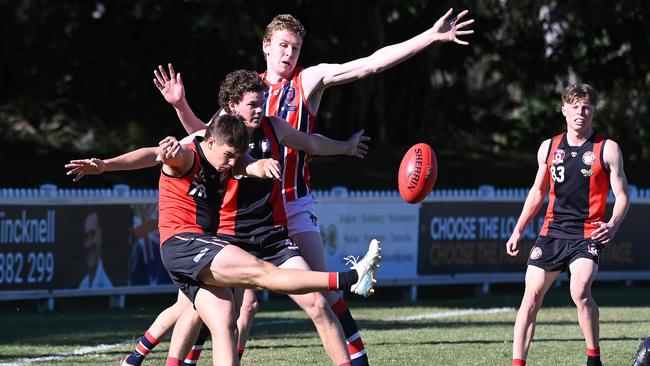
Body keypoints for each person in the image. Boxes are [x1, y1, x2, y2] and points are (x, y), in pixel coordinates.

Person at [154, 9, 474, 365]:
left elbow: (369, 65)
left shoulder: (306, 81)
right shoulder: (245, 93)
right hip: (238, 212)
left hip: (291, 204)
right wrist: (180, 105)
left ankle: (357, 358)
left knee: (320, 297)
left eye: (295, 47)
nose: (289, 54)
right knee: (226, 304)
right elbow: (204, 139)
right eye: (283, 46)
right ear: (266, 47)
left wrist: (428, 37)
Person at [113, 69, 373, 366]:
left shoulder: (274, 127)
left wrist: (346, 147)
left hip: (272, 236)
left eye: (263, 102)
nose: (260, 110)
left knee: (316, 304)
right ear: (233, 105)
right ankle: (166, 361)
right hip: (228, 237)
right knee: (201, 310)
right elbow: (199, 138)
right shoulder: (220, 133)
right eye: (254, 104)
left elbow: (310, 143)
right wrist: (180, 105)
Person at [505, 84, 630, 366]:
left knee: (580, 291)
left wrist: (613, 223)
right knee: (531, 297)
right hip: (551, 232)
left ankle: (593, 358)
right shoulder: (548, 147)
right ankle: (517, 363)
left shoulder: (606, 149)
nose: (580, 112)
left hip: (588, 233)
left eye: (586, 107)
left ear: (594, 112)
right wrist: (518, 229)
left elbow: (622, 196)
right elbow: (537, 192)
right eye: (574, 107)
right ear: (564, 110)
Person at [79, 211, 113, 289]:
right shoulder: (82, 285)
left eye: (93, 234)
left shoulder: (107, 288)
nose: (88, 244)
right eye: (86, 237)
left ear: (101, 236)